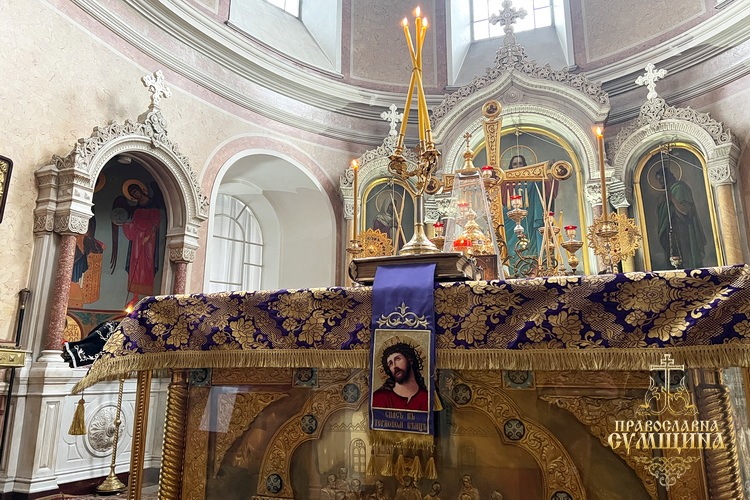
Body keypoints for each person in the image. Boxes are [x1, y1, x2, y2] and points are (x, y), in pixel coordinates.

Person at [112, 180, 163, 309]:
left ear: (141, 190)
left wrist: (148, 236)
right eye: (133, 194)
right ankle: (134, 297)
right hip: (137, 241)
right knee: (135, 263)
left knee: (147, 265)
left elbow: (156, 223)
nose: (135, 195)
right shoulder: (136, 209)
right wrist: (124, 224)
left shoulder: (153, 204)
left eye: (135, 192)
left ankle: (147, 296)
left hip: (149, 241)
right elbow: (133, 224)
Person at [501, 155, 557, 271]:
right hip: (510, 221)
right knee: (512, 246)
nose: (517, 166)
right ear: (511, 166)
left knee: (531, 243)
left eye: (520, 163)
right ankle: (513, 270)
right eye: (515, 164)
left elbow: (547, 188)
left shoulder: (532, 179)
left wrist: (550, 170)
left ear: (525, 165)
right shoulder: (505, 182)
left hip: (531, 217)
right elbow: (500, 200)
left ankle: (533, 270)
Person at [655, 167, 706, 269]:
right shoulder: (667, 192)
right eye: (659, 180)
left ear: (667, 177)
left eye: (661, 179)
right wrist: (661, 204)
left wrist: (672, 199)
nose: (660, 182)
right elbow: (663, 212)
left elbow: (686, 211)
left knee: (686, 256)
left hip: (682, 228)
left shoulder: (680, 188)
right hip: (670, 230)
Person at [372, 342, 429, 411]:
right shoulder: (380, 397)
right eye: (390, 364)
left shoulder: (426, 397)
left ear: (410, 360)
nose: (394, 366)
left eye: (397, 359)